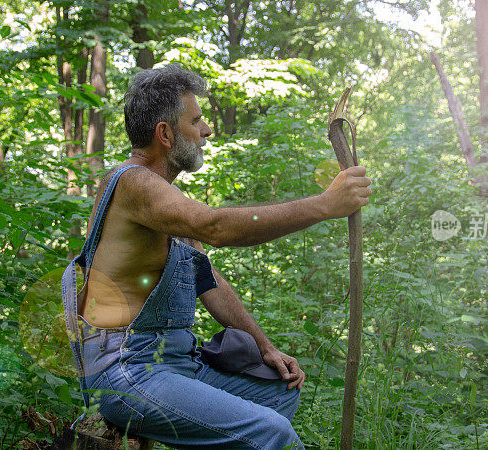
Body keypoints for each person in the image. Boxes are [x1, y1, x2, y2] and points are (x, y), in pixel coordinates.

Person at [61, 64, 371, 449]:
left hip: (176, 365)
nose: (207, 130)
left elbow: (211, 284)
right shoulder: (132, 183)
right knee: (272, 433)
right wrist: (324, 205)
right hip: (128, 373)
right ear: (165, 134)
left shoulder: (163, 200)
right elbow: (215, 226)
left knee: (281, 394)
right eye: (196, 120)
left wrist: (266, 347)